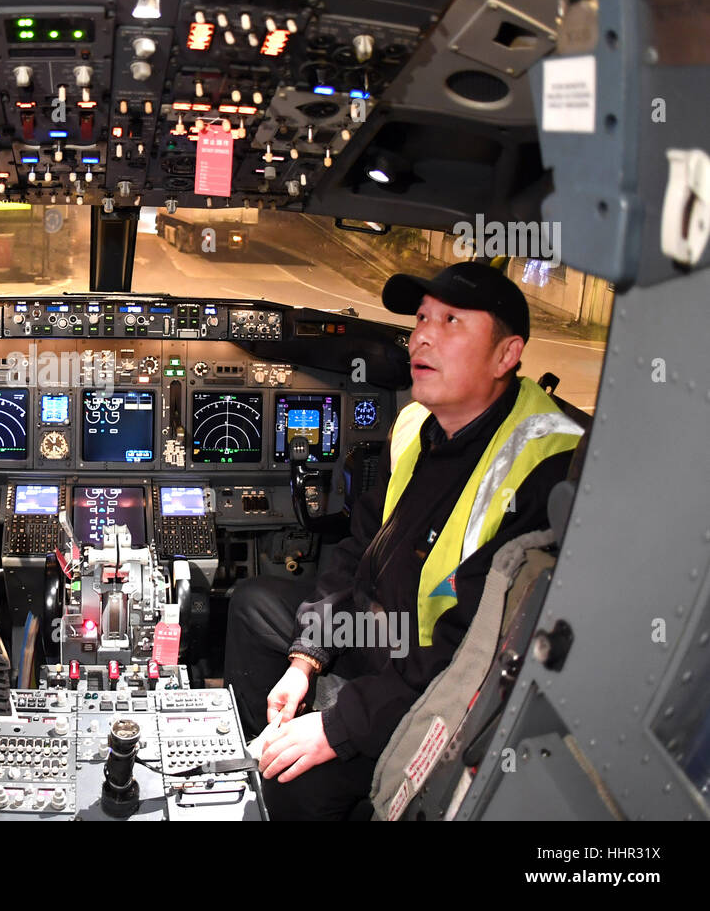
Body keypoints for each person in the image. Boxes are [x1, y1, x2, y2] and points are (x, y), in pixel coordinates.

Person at [225, 260, 583, 820]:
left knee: (296, 788)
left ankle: (285, 775)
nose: (421, 336)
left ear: (506, 355)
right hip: (379, 627)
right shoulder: (419, 423)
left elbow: (468, 653)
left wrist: (337, 728)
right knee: (253, 608)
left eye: (451, 321)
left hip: (435, 672)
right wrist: (305, 661)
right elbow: (357, 547)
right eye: (421, 318)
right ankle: (262, 747)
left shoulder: (543, 467)